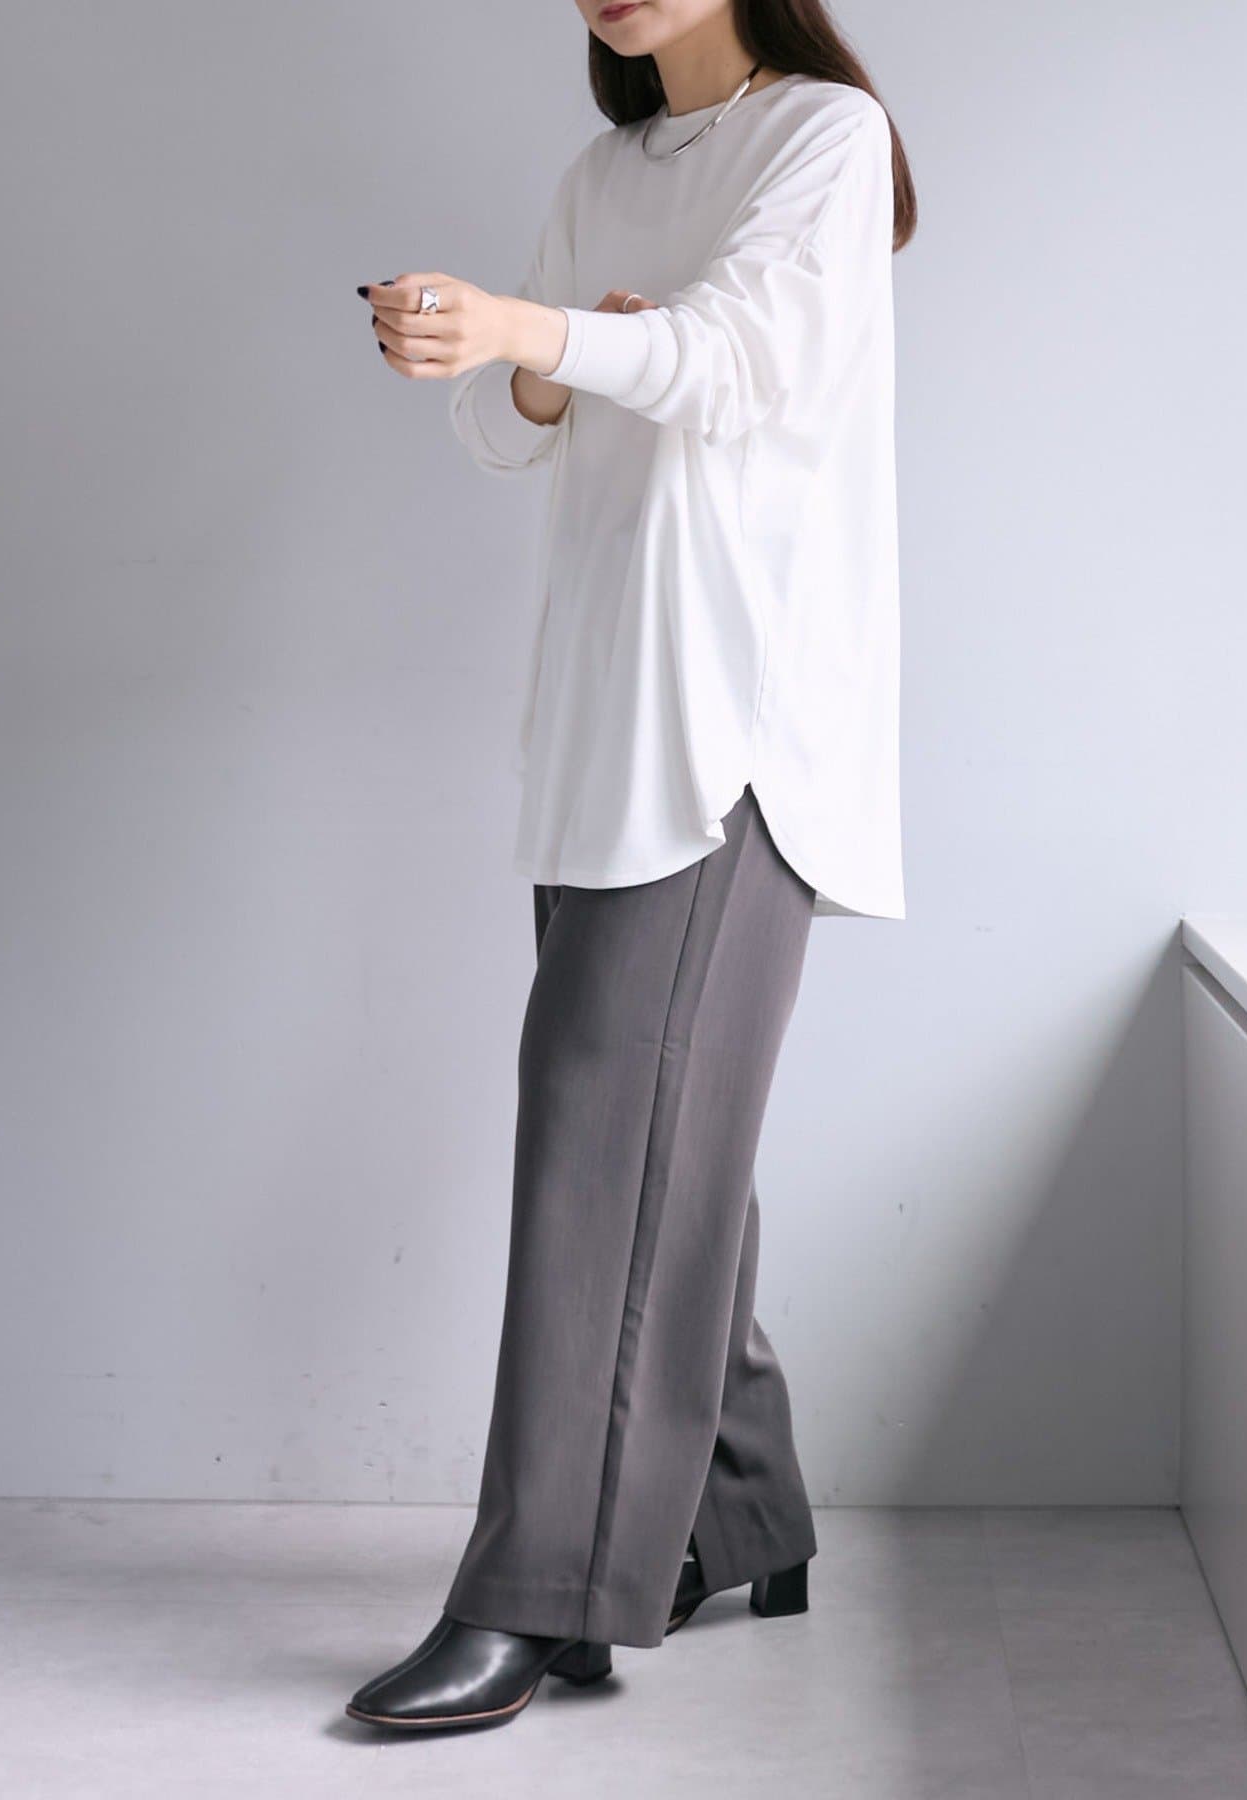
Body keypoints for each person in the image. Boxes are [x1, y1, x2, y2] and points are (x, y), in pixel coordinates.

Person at [346, 0, 915, 1733]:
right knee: (661, 1137)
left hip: (735, 724)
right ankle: (737, 1513)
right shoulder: (605, 171)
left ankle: (542, 1593)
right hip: (609, 712)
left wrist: (546, 330)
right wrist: (528, 357)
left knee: (604, 1130)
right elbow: (509, 429)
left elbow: (736, 362)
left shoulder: (824, 139)